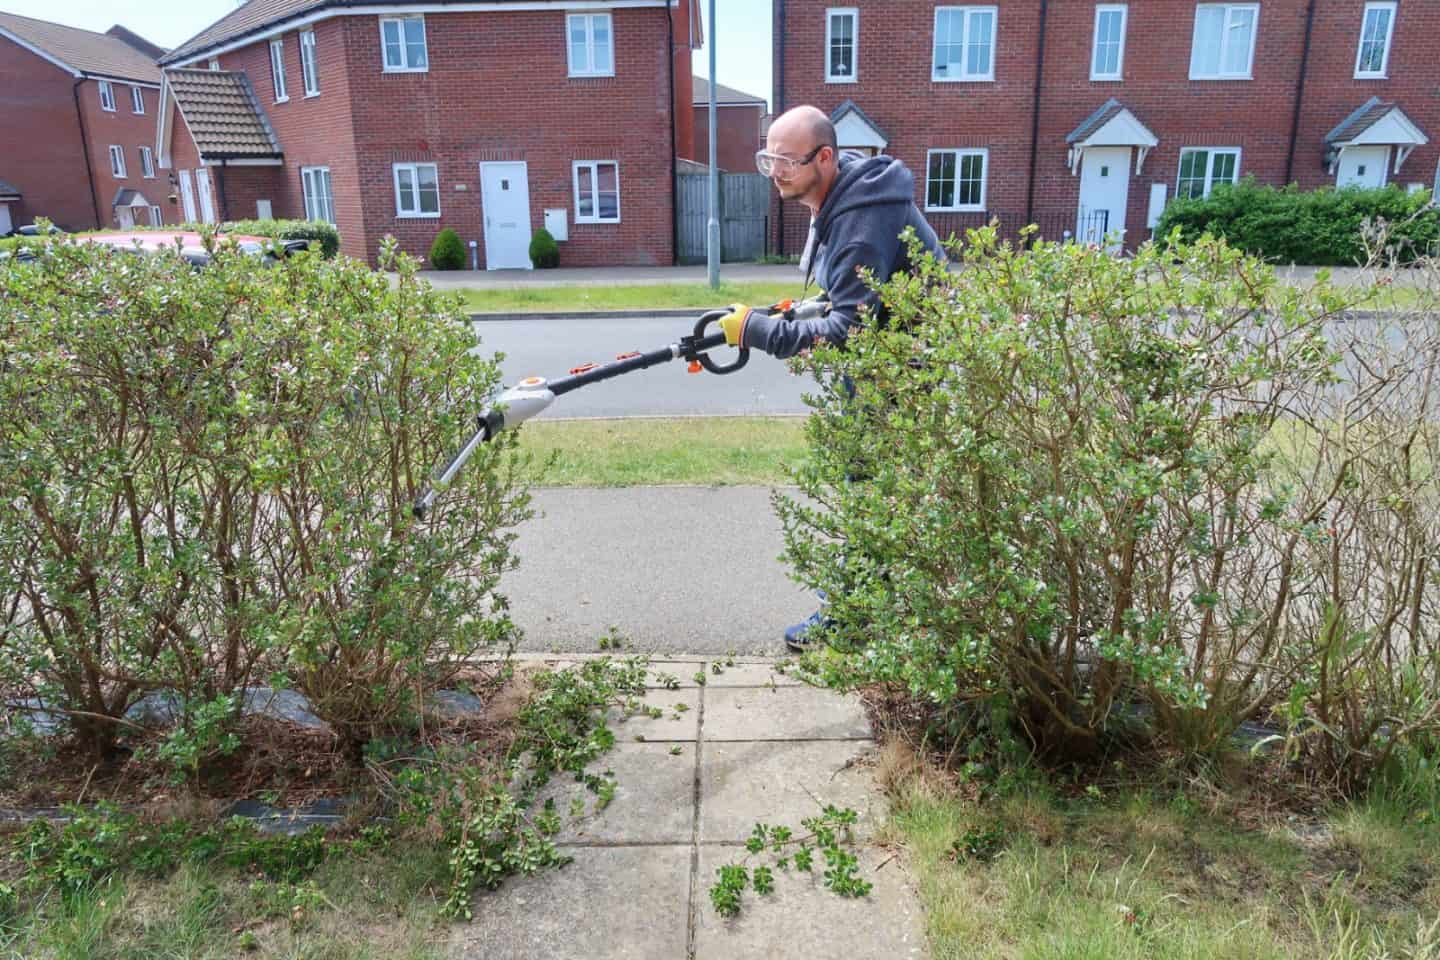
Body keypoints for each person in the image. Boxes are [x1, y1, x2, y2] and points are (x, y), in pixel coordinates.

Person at [716, 104, 944, 652]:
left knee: (870, 497)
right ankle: (883, 607)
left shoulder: (860, 222)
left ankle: (853, 618)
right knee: (879, 497)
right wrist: (793, 314)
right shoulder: (845, 199)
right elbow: (852, 297)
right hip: (882, 370)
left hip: (896, 380)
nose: (775, 171)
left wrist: (758, 331)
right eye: (767, 157)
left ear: (825, 157)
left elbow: (847, 329)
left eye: (786, 161)